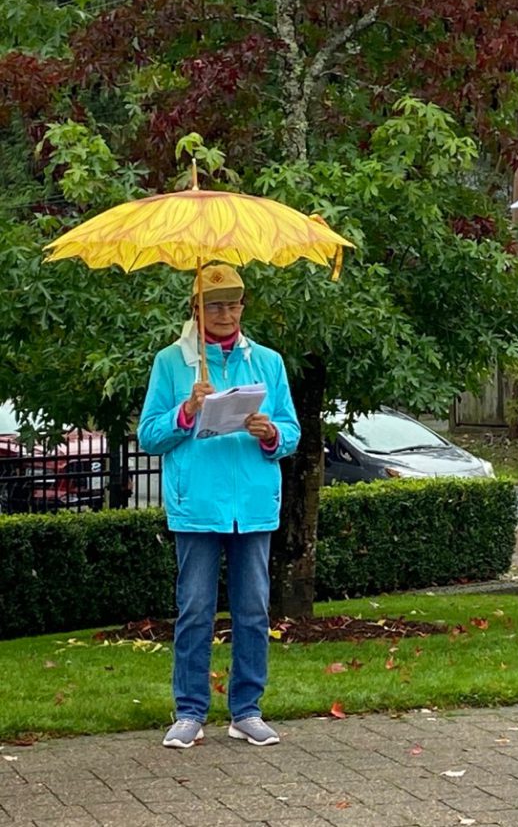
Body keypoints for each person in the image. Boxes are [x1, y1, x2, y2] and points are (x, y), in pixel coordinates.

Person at [138, 264, 300, 749]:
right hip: (198, 505)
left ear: (243, 307)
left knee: (252, 611)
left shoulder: (267, 362)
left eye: (233, 304)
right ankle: (189, 711)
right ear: (197, 308)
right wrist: (186, 411)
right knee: (194, 610)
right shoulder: (172, 363)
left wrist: (271, 433)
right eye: (215, 305)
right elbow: (149, 435)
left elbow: (291, 431)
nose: (225, 314)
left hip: (252, 504)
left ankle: (246, 710)